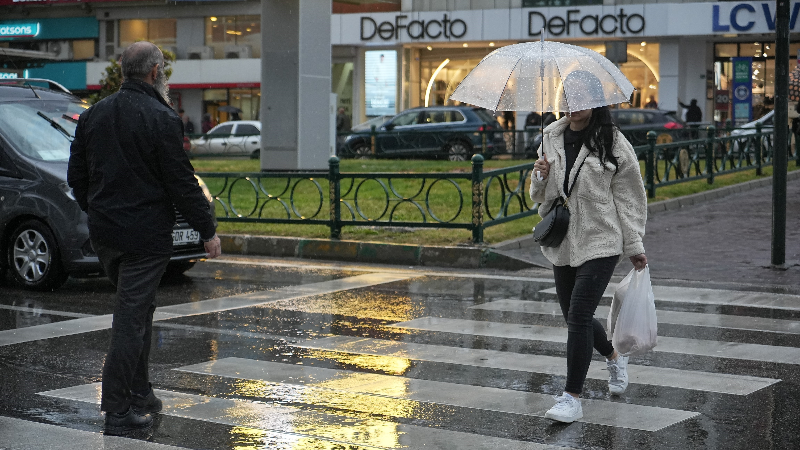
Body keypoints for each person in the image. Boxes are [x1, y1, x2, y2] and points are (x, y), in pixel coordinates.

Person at [67, 41, 222, 436]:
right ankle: (118, 411)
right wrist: (207, 230)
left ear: (123, 72)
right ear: (155, 73)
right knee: (131, 319)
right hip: (145, 237)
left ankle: (141, 393)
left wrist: (99, 211)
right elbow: (181, 183)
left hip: (106, 235)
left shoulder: (93, 116)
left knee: (138, 312)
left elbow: (77, 179)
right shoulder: (161, 117)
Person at [529, 70, 647, 424]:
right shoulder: (550, 136)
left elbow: (629, 197)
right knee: (573, 317)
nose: (572, 107)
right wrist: (539, 176)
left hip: (601, 238)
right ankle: (613, 357)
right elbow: (538, 195)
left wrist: (634, 244)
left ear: (596, 102)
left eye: (580, 100)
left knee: (579, 315)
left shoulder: (612, 141)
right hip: (564, 238)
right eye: (567, 99)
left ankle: (572, 397)